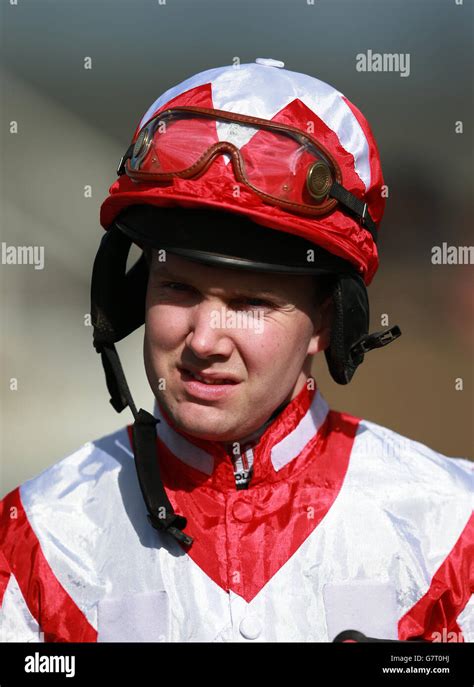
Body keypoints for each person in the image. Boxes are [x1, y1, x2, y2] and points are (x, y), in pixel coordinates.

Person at [0, 59, 472, 644]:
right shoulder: (36, 539)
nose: (203, 340)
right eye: (178, 288)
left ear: (328, 321)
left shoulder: (453, 531)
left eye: (250, 303)